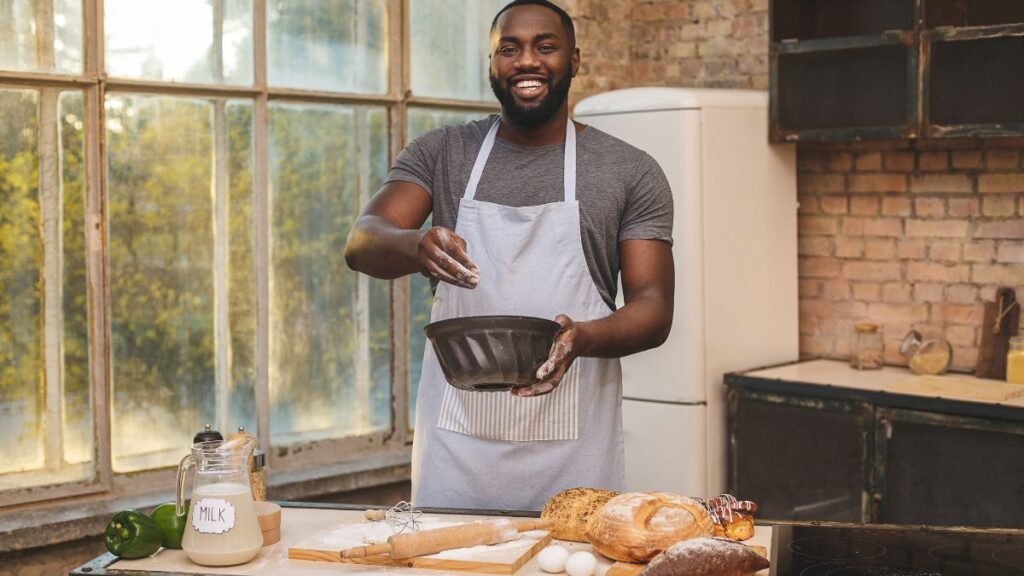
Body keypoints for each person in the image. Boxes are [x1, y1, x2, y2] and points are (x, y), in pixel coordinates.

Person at [344, 0, 674, 511]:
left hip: (574, 455)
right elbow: (362, 242)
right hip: (457, 450)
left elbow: (654, 309)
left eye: (546, 47)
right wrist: (415, 244)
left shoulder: (628, 170)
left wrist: (581, 338)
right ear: (492, 63)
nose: (527, 62)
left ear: (574, 59)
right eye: (509, 49)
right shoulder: (443, 153)